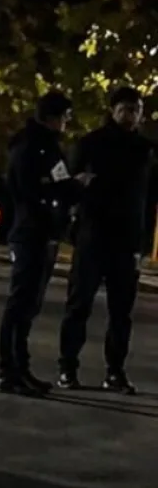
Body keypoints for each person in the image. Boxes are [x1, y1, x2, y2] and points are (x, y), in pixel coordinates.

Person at [0, 90, 94, 395]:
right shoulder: (31, 147)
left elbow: (56, 184)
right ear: (52, 117)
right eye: (65, 117)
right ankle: (10, 370)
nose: (67, 122)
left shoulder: (47, 146)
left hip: (45, 232)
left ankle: (19, 368)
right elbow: (34, 189)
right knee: (21, 303)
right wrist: (72, 187)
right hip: (31, 232)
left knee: (30, 305)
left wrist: (69, 189)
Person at [57, 85, 152, 394]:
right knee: (79, 305)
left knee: (121, 312)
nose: (130, 115)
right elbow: (68, 185)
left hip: (127, 241)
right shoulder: (91, 144)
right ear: (113, 111)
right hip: (93, 235)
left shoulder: (145, 150)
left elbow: (149, 199)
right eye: (124, 109)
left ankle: (115, 371)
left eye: (135, 110)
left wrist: (142, 242)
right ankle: (67, 367)